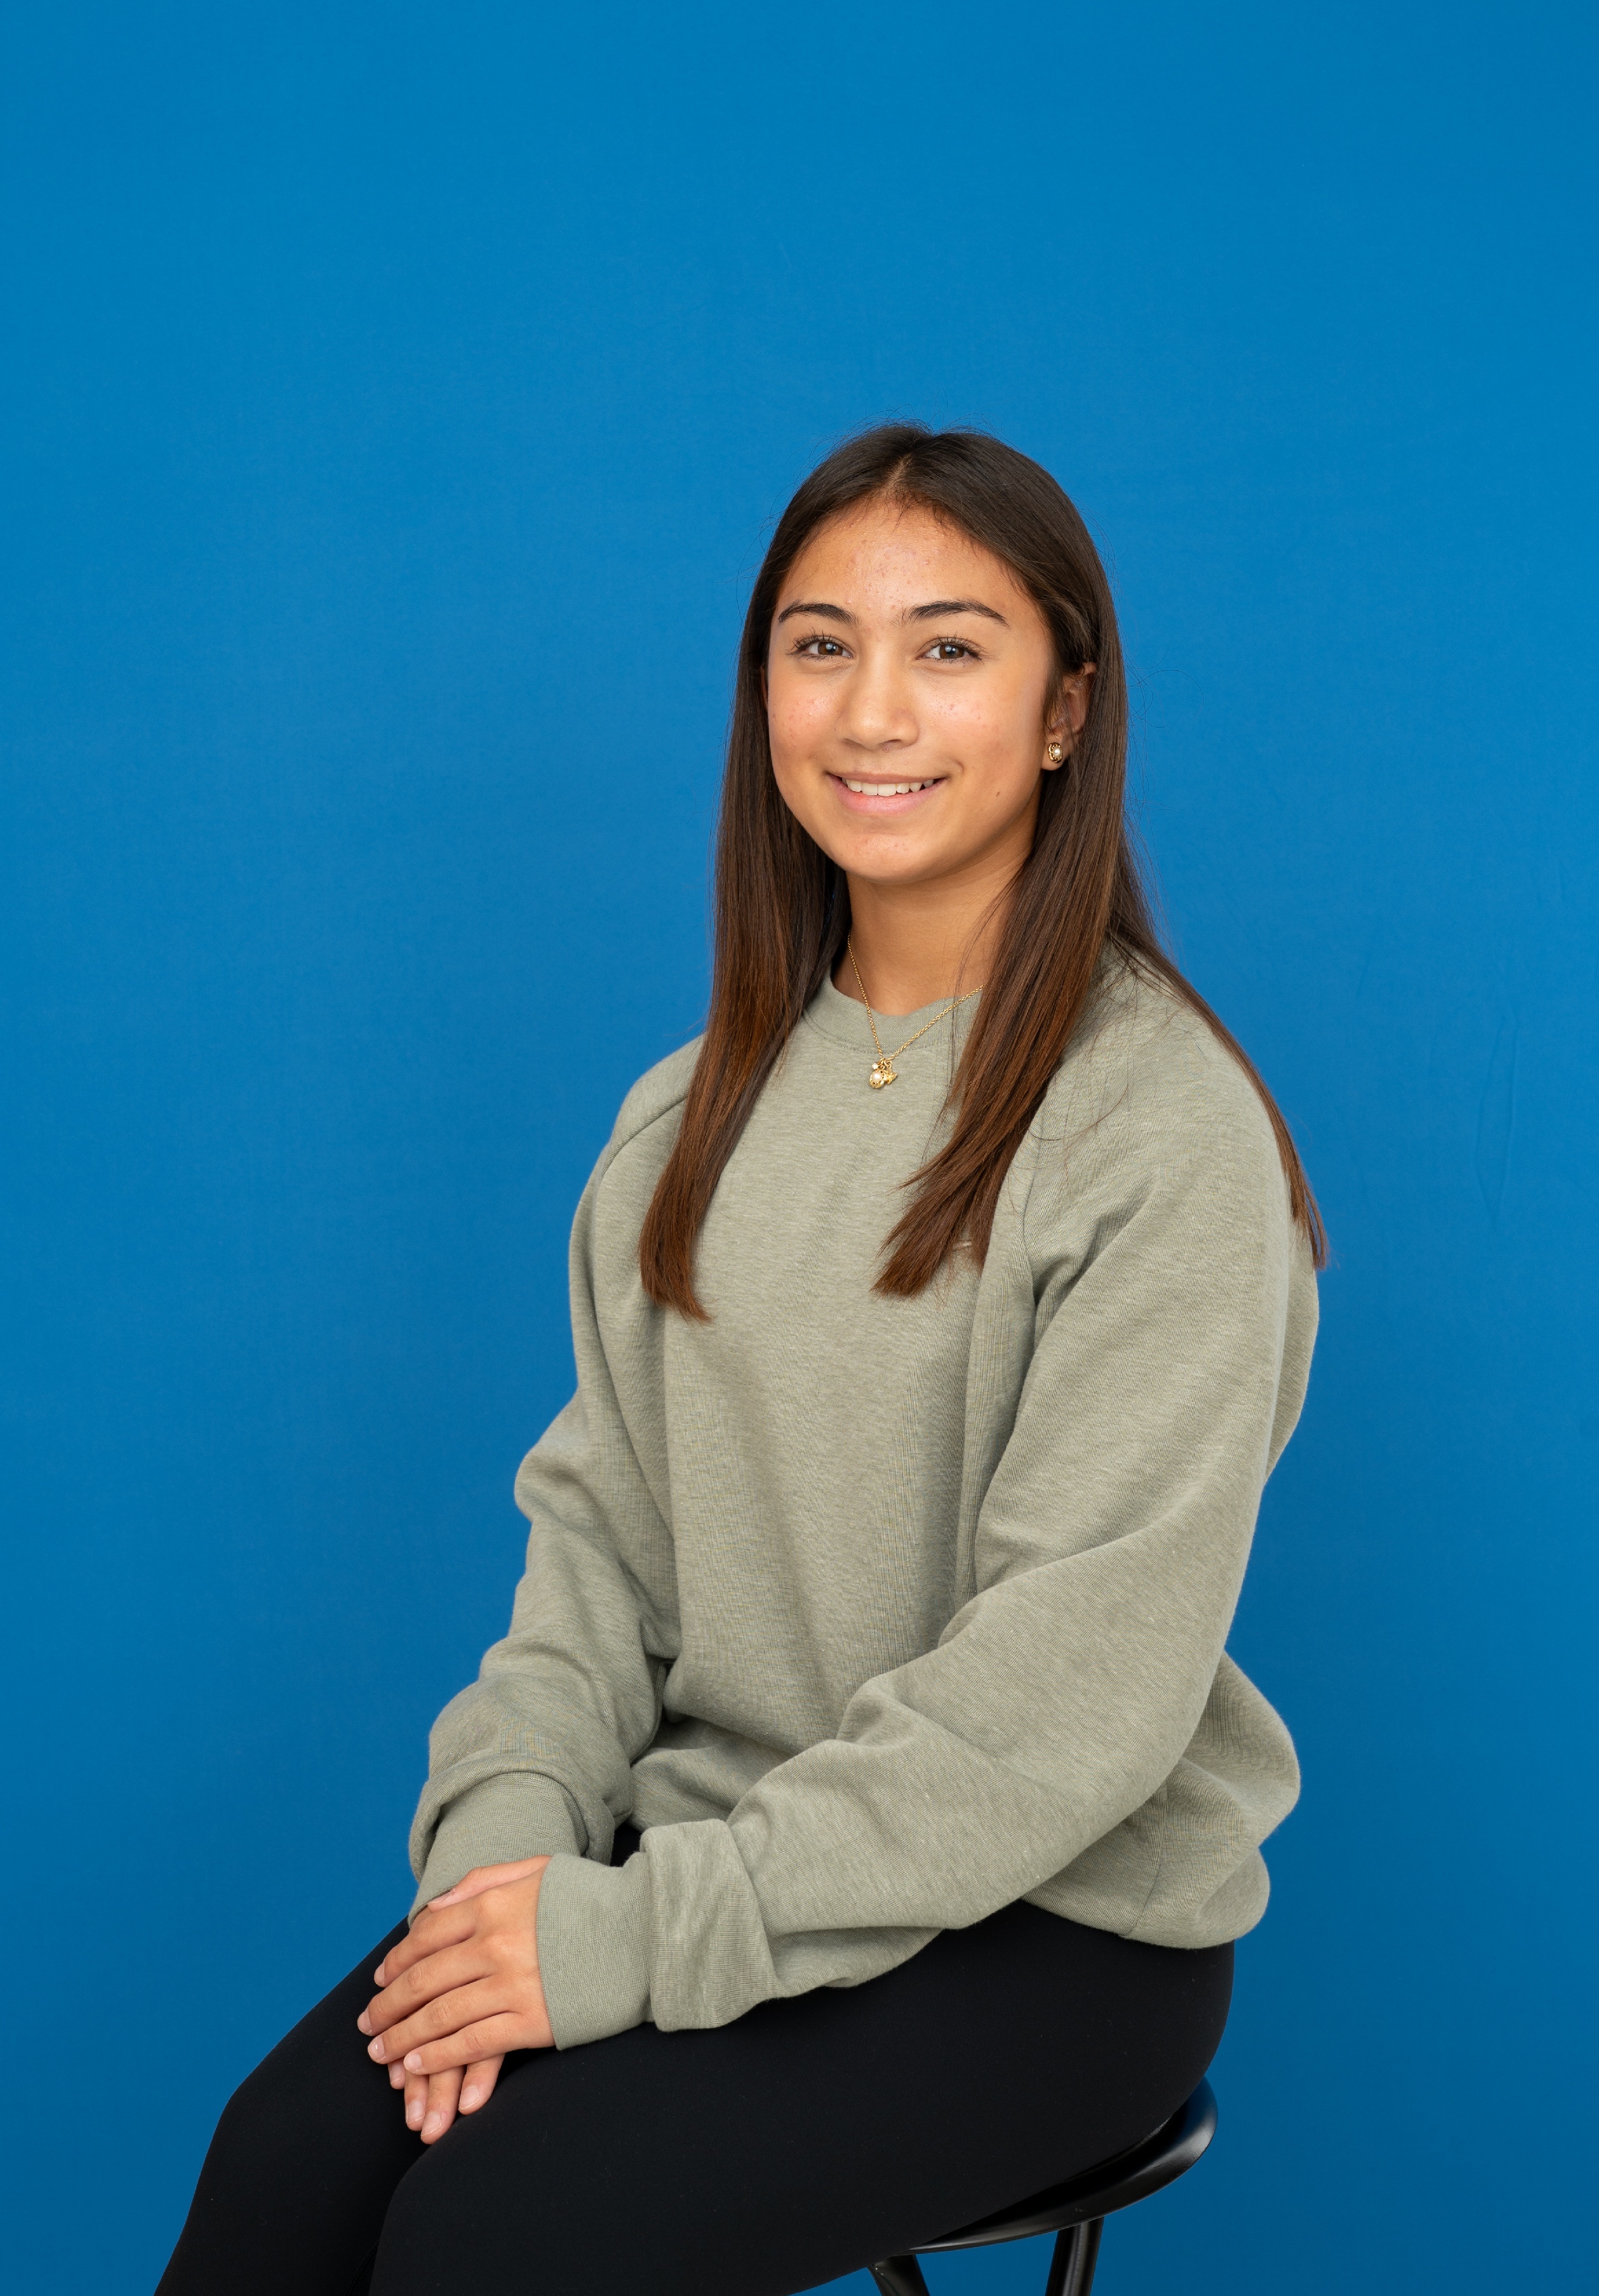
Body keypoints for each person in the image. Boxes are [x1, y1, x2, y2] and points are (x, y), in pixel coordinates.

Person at [157, 425, 1323, 2296]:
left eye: (950, 647)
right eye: (818, 645)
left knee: (498, 2240)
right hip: (704, 1853)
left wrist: (623, 1944)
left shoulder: (1158, 1133)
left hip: (1058, 1918)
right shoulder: (682, 1121)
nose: (873, 710)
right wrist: (495, 1891)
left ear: (1063, 710)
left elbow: (1057, 1712)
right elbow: (593, 1585)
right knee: (279, 2174)